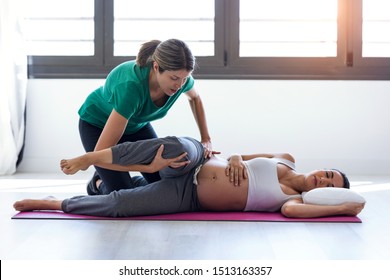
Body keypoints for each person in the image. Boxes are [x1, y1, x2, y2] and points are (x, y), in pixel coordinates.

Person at [13, 136, 365, 218]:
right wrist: (239, 159)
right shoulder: (285, 159)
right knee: (169, 147)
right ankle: (91, 160)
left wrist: (344, 207)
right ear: (324, 167)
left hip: (189, 197)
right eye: (329, 174)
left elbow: (292, 215)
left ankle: (55, 203)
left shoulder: (294, 201)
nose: (324, 180)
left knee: (124, 205)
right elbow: (237, 153)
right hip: (196, 161)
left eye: (330, 186)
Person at [77, 38, 214, 195]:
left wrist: (206, 139)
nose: (179, 85)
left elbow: (195, 98)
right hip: (97, 124)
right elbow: (97, 155)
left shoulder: (181, 80)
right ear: (156, 67)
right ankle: (98, 182)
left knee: (167, 185)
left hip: (136, 126)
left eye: (184, 79)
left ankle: (120, 180)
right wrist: (149, 167)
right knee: (124, 195)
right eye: (174, 78)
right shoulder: (131, 88)